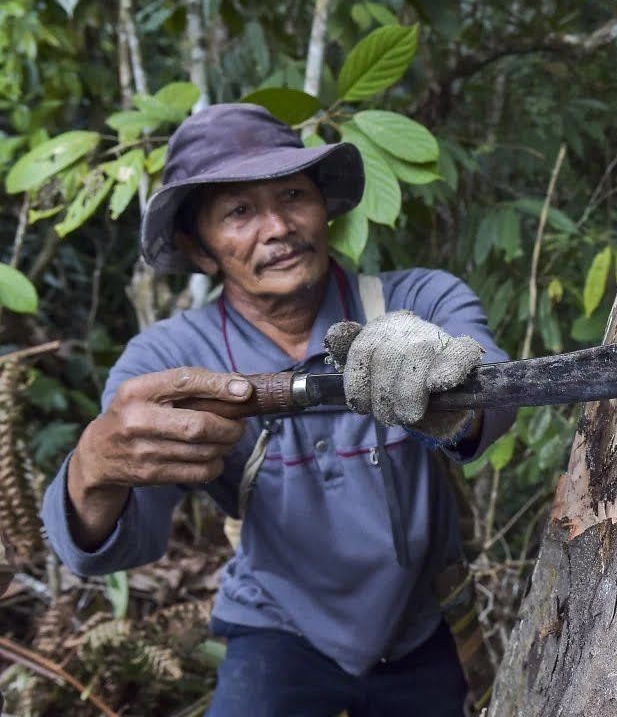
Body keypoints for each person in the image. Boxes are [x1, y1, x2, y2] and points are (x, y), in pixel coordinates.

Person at [39, 103, 517, 716]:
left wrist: (444, 390)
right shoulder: (170, 358)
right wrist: (93, 471)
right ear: (200, 247)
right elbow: (123, 539)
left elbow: (494, 398)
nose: (277, 227)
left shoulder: (418, 299)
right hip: (279, 628)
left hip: (420, 624)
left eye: (293, 195)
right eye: (239, 211)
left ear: (323, 207)